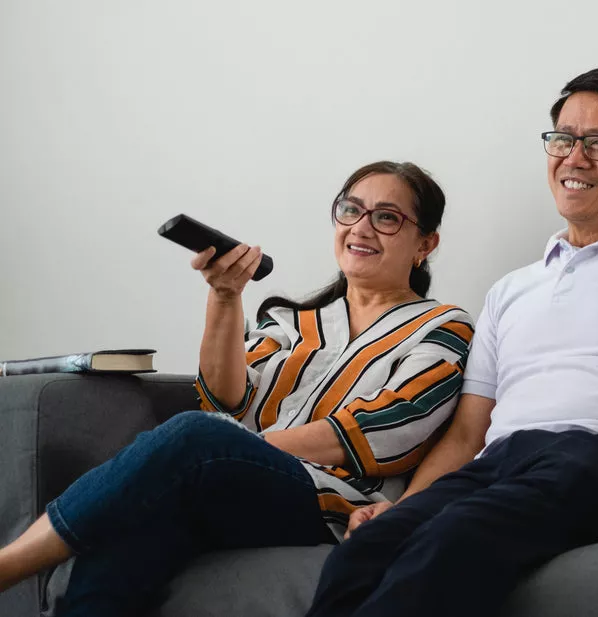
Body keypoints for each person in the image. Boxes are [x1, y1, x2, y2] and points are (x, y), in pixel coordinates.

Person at [305, 68, 598, 617]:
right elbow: (469, 432)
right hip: (502, 466)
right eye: (564, 139)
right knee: (364, 552)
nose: (574, 157)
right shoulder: (510, 290)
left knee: (457, 538)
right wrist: (406, 507)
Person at [0, 161, 473, 617]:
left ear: (424, 244)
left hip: (328, 499)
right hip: (236, 480)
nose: (361, 228)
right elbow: (226, 399)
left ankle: (12, 564)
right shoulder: (290, 320)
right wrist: (225, 295)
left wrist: (233, 446)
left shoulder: (443, 326)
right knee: (130, 535)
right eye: (351, 210)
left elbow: (391, 425)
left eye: (386, 218)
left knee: (194, 437)